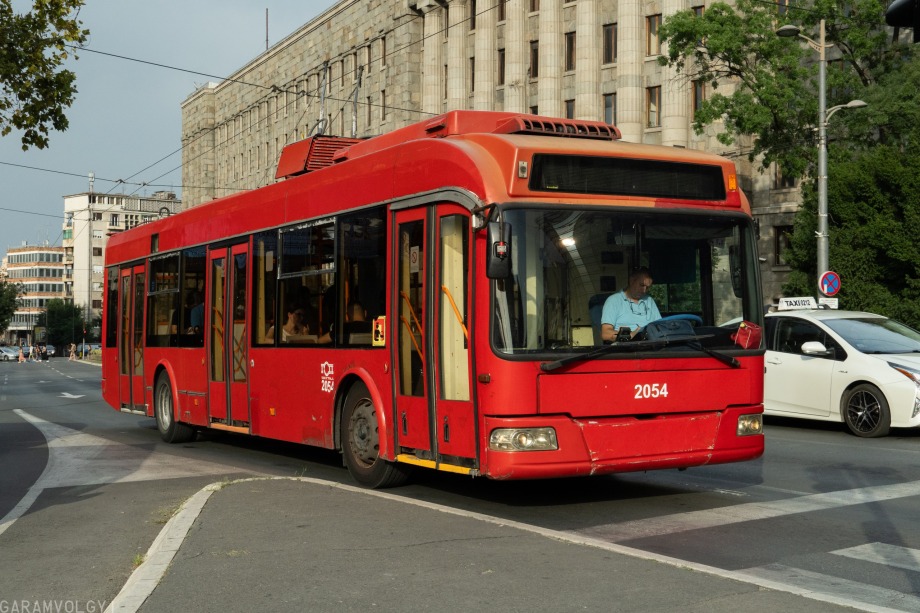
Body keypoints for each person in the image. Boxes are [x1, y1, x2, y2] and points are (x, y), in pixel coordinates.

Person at [600, 267, 661, 341]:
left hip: (650, 345)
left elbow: (660, 327)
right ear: (631, 280)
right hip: (626, 348)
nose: (644, 290)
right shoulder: (614, 300)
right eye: (641, 285)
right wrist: (628, 336)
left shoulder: (649, 300)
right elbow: (606, 333)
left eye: (647, 287)